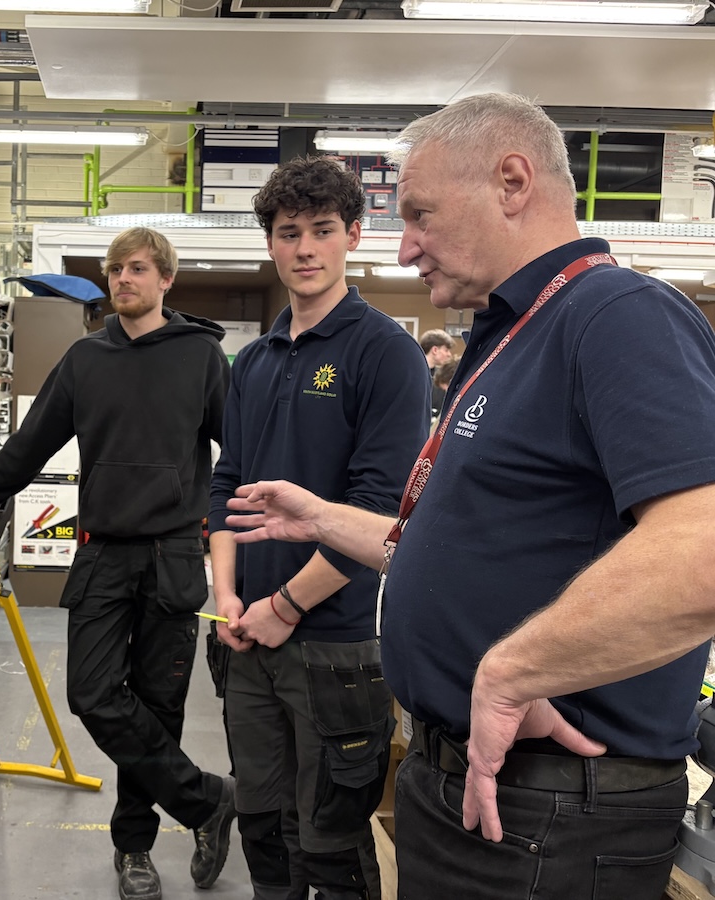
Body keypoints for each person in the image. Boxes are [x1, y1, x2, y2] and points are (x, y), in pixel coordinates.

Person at [224, 93, 715, 900]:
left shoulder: (617, 315)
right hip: (478, 787)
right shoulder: (516, 334)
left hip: (550, 809)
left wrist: (514, 671)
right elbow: (473, 548)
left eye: (419, 213)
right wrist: (320, 517)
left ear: (512, 181)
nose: (406, 244)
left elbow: (701, 550)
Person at [0, 226, 235, 900]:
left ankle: (134, 851)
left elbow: (237, 456)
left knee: (158, 709)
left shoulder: (202, 358)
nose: (123, 279)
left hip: (173, 557)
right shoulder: (84, 360)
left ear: (165, 280)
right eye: (115, 269)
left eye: (137, 268)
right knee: (93, 695)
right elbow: (29, 448)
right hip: (99, 556)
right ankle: (206, 799)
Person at [207, 156, 429, 900]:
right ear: (270, 242)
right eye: (288, 231)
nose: (304, 248)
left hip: (334, 645)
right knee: (262, 828)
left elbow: (382, 513)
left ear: (354, 236)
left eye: (322, 231)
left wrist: (287, 606)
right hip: (247, 642)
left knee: (328, 845)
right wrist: (228, 598)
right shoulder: (253, 362)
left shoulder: (386, 353)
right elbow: (227, 481)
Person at [418, 329, 455, 415]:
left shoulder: (442, 377)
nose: (449, 354)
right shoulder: (413, 374)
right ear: (435, 350)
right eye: (446, 350)